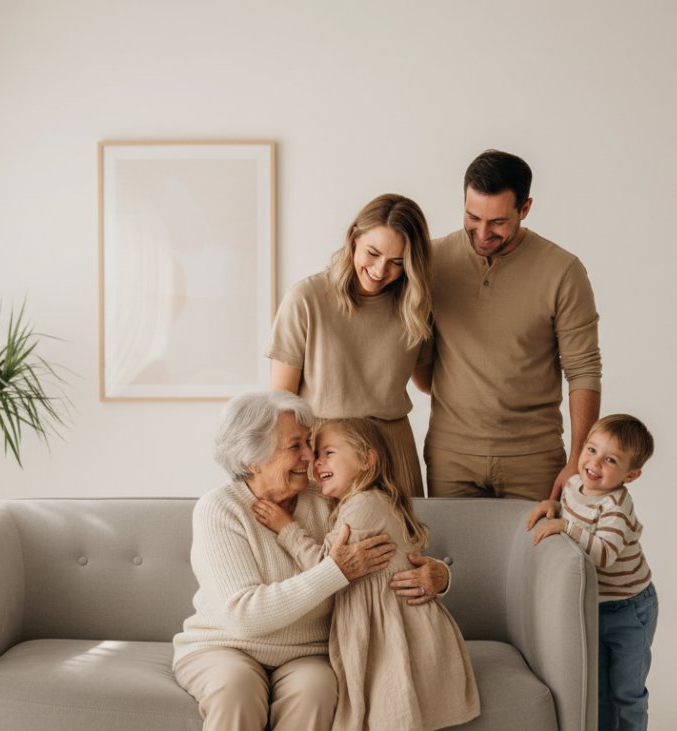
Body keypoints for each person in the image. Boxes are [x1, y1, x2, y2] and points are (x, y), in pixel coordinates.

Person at [173, 391, 449, 731]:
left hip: (307, 651)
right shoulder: (220, 509)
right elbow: (244, 617)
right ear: (252, 459)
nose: (310, 457)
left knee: (316, 691)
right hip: (225, 647)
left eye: (310, 444)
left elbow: (388, 540)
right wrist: (336, 571)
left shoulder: (328, 496)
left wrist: (440, 575)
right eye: (295, 446)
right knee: (236, 689)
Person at [253, 418, 479, 731]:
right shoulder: (362, 501)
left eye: (328, 452)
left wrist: (286, 528)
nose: (316, 464)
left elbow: (326, 568)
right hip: (386, 626)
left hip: (392, 632)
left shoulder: (364, 505)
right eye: (315, 455)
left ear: (365, 460)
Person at [414, 149, 602, 502]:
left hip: (535, 459)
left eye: (498, 222)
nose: (482, 233)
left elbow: (584, 371)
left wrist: (577, 458)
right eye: (472, 217)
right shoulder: (432, 260)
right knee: (448, 560)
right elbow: (420, 362)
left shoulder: (563, 271)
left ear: (525, 208)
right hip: (451, 456)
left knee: (539, 557)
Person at [267, 193, 433, 497]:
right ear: (353, 238)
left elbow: (427, 382)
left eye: (397, 262)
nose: (381, 270)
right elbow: (282, 399)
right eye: (373, 253)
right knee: (321, 544)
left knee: (400, 543)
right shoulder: (307, 298)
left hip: (391, 450)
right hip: (324, 451)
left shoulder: (415, 305)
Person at [526, 414, 658, 731]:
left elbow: (603, 555)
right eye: (591, 449)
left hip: (630, 609)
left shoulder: (616, 506)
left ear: (631, 474)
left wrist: (565, 527)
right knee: (596, 689)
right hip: (592, 606)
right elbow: (571, 508)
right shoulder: (574, 485)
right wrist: (552, 506)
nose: (594, 463)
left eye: (610, 459)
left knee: (627, 692)